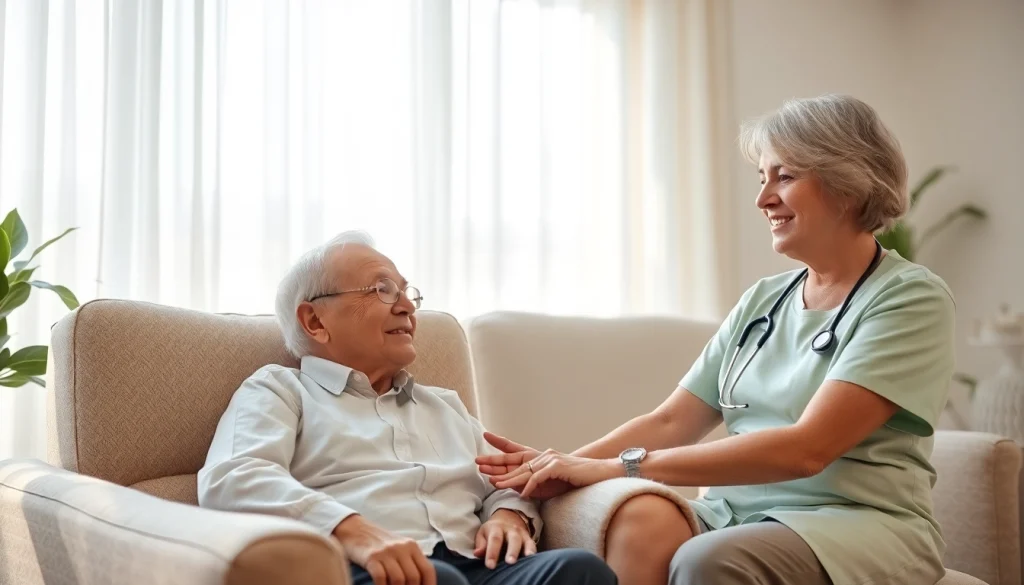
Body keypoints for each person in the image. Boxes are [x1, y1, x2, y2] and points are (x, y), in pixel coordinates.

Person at [476, 94, 956, 585]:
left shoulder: (909, 298)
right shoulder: (763, 300)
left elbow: (807, 449)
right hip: (736, 514)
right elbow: (670, 420)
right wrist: (561, 466)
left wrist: (625, 467)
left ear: (847, 186)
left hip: (858, 523)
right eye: (762, 178)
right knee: (642, 518)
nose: (763, 198)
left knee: (707, 559)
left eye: (784, 177)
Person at [197, 232, 617, 585]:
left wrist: (510, 517)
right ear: (314, 321)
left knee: (578, 571)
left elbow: (503, 480)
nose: (407, 307)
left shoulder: (444, 405)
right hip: (362, 567)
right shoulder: (280, 389)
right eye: (382, 290)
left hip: (475, 565)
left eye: (406, 292)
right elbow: (234, 477)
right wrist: (351, 530)